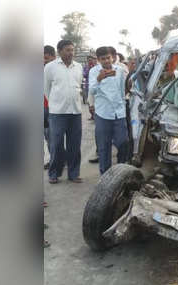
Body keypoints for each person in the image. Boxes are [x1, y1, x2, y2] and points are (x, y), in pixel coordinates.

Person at [44, 39, 84, 184]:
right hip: (57, 113)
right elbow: (46, 89)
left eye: (72, 50)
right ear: (59, 51)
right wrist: (56, 103)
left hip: (75, 112)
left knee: (74, 144)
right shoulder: (50, 67)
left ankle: (73, 174)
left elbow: (78, 85)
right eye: (67, 50)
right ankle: (54, 173)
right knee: (57, 144)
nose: (70, 53)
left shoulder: (78, 67)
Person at [89, 46, 130, 174]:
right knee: (104, 146)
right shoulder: (94, 71)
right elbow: (92, 91)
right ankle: (105, 174)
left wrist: (123, 105)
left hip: (119, 112)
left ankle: (120, 171)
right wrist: (99, 79)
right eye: (103, 59)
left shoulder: (120, 70)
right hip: (103, 114)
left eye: (108, 58)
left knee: (123, 142)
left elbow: (122, 90)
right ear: (98, 60)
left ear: (112, 57)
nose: (106, 61)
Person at [43, 45, 56, 170]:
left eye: (46, 58)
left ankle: (56, 160)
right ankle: (52, 158)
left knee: (52, 136)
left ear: (53, 56)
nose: (44, 61)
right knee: (46, 136)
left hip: (52, 108)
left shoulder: (56, 70)